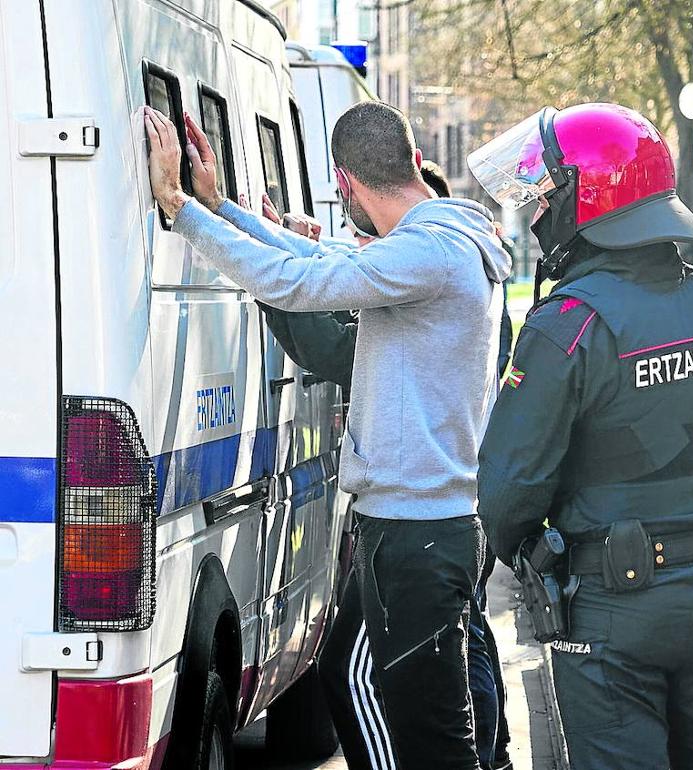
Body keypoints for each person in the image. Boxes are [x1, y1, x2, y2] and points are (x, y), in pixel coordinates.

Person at [143, 101, 510, 770]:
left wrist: (181, 210)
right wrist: (223, 208)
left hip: (416, 534)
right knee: (355, 672)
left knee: (435, 746)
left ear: (344, 183)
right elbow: (322, 256)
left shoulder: (430, 252)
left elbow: (302, 280)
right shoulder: (441, 239)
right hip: (412, 527)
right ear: (413, 163)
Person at [470, 102, 693, 769]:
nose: (536, 213)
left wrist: (526, 555)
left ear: (588, 200)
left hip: (611, 596)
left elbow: (508, 489)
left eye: (545, 197)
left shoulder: (567, 324)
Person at [252, 158, 515, 769]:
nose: (369, 252)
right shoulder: (466, 263)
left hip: (418, 522)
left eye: (379, 244)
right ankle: (493, 754)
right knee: (448, 668)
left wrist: (282, 276)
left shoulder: (429, 272)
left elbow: (337, 349)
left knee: (380, 686)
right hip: (446, 513)